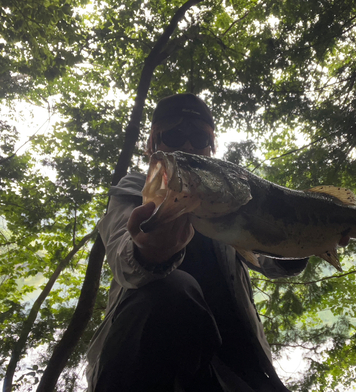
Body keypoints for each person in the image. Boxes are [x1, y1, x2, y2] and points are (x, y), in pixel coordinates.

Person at [86, 93, 309, 392]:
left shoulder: (232, 198)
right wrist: (148, 251)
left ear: (212, 148)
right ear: (153, 144)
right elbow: (123, 258)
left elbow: (270, 262)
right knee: (173, 289)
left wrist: (304, 241)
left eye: (199, 137)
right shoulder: (132, 189)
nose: (187, 144)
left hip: (240, 367)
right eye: (174, 134)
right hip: (146, 361)